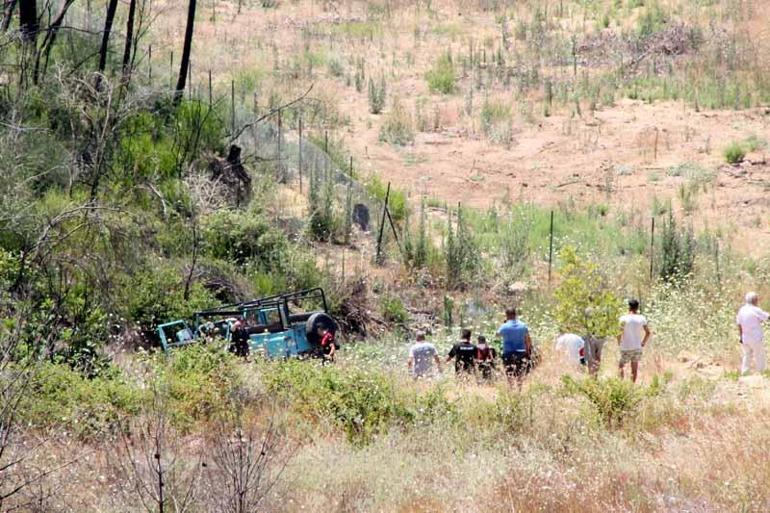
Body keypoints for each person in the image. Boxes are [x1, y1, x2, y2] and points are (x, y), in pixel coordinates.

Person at [496, 308, 533, 386]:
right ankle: (519, 390)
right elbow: (528, 339)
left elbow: (497, 335)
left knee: (509, 374)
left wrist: (504, 324)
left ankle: (511, 389)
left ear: (506, 315)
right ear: (515, 315)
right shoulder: (523, 325)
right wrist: (528, 350)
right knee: (520, 374)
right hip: (521, 353)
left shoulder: (505, 326)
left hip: (508, 353)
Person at [617, 299, 651, 383]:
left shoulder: (623, 318)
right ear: (637, 307)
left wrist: (619, 342)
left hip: (625, 346)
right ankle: (632, 387)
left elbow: (618, 333)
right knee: (634, 369)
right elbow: (648, 332)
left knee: (621, 366)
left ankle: (621, 385)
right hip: (637, 346)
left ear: (629, 307)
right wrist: (643, 342)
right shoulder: (641, 318)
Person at [736, 292, 769, 375]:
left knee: (747, 355)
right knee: (759, 355)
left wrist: (741, 337)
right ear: (755, 300)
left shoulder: (742, 310)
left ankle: (745, 372)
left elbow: (739, 324)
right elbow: (767, 317)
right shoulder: (756, 310)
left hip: (745, 337)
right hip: (755, 337)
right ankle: (762, 373)